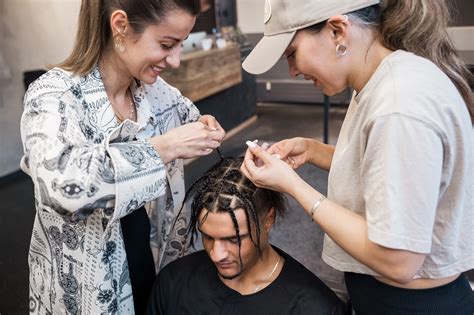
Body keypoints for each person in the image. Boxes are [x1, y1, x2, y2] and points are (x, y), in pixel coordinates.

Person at [240, 0, 474, 314]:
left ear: (337, 31)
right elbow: (384, 167)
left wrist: (296, 187)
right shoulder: (380, 80)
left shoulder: (399, 104)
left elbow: (398, 259)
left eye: (292, 54)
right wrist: (312, 150)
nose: (293, 71)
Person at [20, 0, 226, 313]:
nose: (176, 61)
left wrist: (204, 125)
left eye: (180, 45)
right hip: (86, 288)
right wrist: (164, 147)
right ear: (120, 25)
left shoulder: (155, 92)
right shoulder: (53, 95)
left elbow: (190, 118)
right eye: (166, 44)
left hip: (147, 261)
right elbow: (62, 184)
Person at [147, 156, 346, 314]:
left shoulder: (314, 307)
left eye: (233, 239)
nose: (217, 255)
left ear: (268, 220)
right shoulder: (173, 282)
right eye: (208, 237)